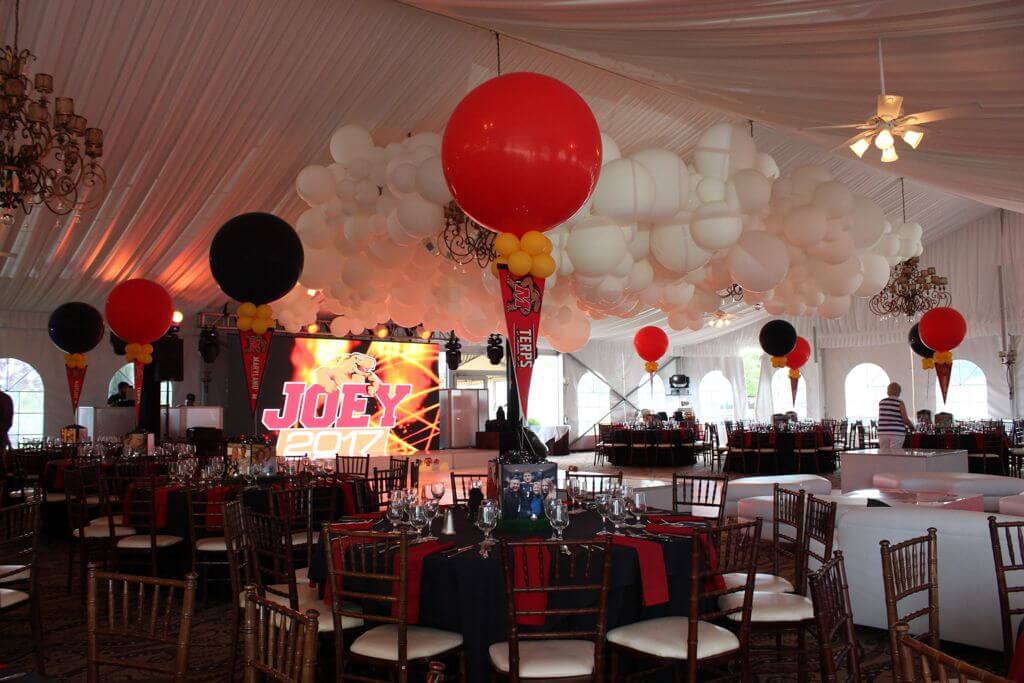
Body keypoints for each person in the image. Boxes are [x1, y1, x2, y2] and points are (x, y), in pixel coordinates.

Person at [877, 382, 913, 450]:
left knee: (884, 453)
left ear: (888, 391)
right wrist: (912, 426)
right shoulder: (899, 402)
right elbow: (905, 419)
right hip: (896, 432)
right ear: (899, 392)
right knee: (896, 454)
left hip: (882, 432)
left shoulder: (881, 402)